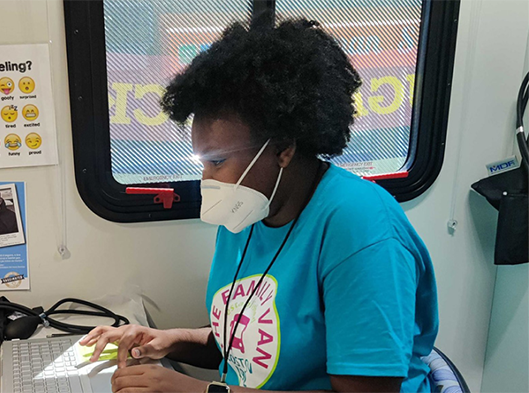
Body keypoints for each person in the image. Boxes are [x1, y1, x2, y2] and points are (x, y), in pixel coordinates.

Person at [81, 15, 438, 393]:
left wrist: (195, 390)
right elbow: (240, 342)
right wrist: (167, 339)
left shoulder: (360, 228)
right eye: (201, 162)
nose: (207, 179)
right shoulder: (250, 210)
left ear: (283, 148)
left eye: (217, 161)